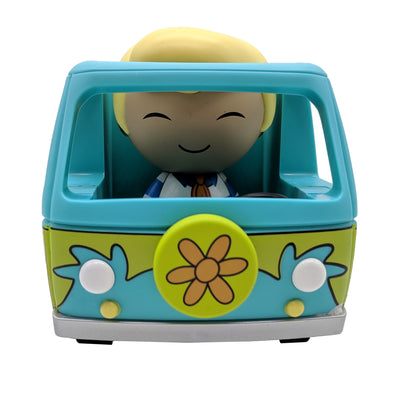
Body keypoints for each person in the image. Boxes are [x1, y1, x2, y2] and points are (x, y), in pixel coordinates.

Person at [113, 27, 275, 197]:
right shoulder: (165, 184)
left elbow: (235, 203)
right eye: (159, 117)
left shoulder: (220, 183)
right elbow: (148, 205)